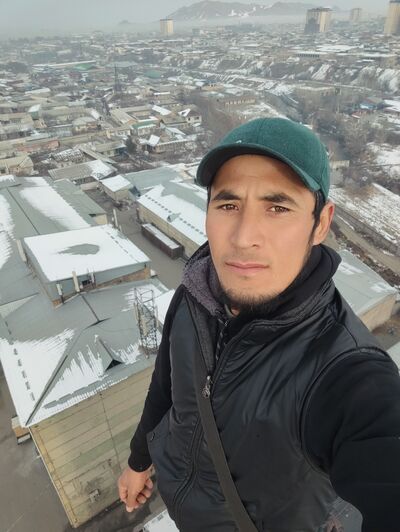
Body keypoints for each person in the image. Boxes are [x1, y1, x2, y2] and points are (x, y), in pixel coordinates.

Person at [118, 118, 400, 531]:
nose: (243, 236)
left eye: (278, 207)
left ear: (321, 224)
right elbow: (166, 386)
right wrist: (138, 461)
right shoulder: (193, 297)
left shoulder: (345, 373)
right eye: (228, 205)